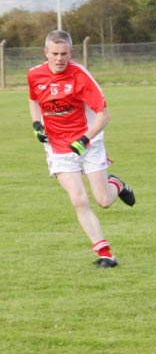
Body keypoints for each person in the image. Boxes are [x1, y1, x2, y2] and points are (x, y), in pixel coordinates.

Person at [27, 30, 135, 269]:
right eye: (54, 53)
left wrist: (85, 140)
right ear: (46, 53)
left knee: (104, 200)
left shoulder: (80, 76)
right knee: (78, 199)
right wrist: (36, 124)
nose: (59, 58)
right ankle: (106, 254)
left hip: (89, 143)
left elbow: (103, 115)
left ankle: (116, 184)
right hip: (57, 147)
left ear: (71, 53)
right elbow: (34, 99)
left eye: (64, 53)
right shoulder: (35, 75)